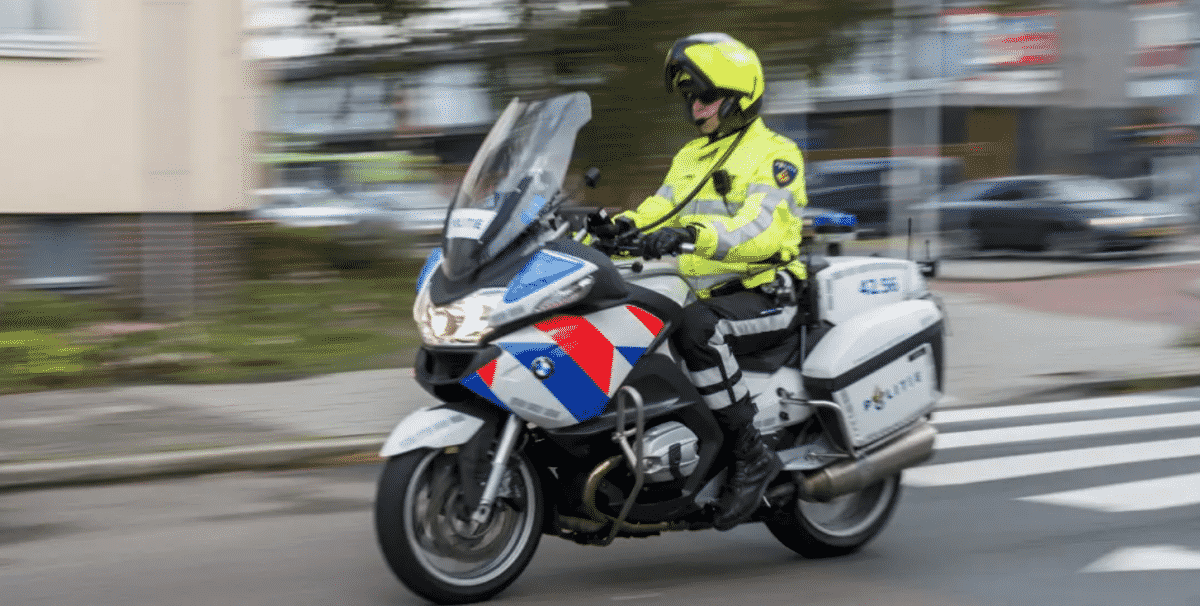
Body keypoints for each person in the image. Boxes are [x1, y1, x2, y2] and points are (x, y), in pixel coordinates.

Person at [595, 33, 808, 530]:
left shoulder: (775, 154)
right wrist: (618, 227)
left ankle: (750, 454)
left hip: (765, 291)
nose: (695, 107)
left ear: (739, 97)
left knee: (695, 328)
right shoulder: (692, 155)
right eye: (691, 97)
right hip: (706, 291)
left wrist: (693, 233)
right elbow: (660, 208)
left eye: (707, 96)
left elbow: (763, 230)